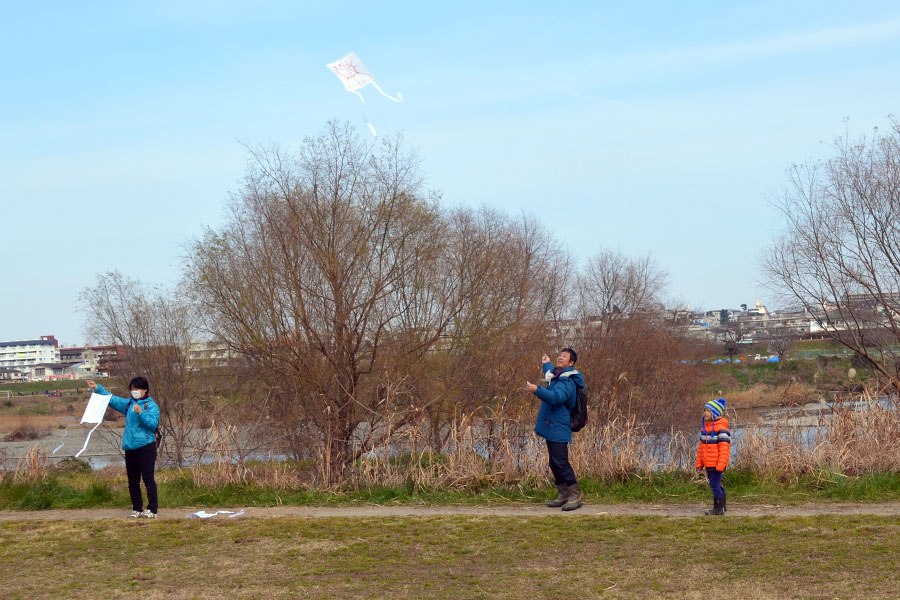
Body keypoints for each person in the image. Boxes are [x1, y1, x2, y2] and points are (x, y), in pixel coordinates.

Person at [87, 377, 160, 518]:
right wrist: (97, 388)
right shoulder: (128, 404)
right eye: (132, 389)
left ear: (145, 390)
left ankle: (152, 510)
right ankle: (137, 509)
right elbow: (112, 399)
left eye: (137, 389)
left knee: (148, 479)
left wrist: (141, 412)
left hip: (146, 447)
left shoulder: (151, 406)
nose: (134, 391)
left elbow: (152, 425)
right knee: (133, 480)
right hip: (130, 447)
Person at [526, 348, 585, 511]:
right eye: (560, 355)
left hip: (559, 426)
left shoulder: (567, 382)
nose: (560, 357)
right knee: (554, 462)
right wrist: (546, 363)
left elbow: (556, 398)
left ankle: (575, 496)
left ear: (571, 363)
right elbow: (551, 372)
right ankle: (563, 494)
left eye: (564, 356)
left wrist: (537, 390)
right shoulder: (558, 376)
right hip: (552, 426)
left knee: (561, 462)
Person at [696, 397, 730, 516]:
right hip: (708, 464)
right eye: (705, 410)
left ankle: (718, 508)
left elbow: (724, 449)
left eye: (708, 411)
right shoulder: (705, 428)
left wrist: (721, 464)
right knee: (715, 484)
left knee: (714, 484)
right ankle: (723, 506)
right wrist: (699, 463)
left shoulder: (721, 429)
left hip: (716, 464)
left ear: (715, 413)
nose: (705, 413)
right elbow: (701, 448)